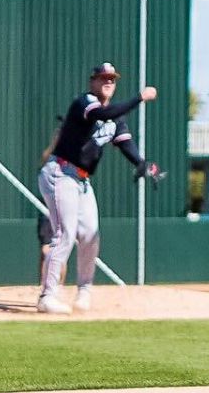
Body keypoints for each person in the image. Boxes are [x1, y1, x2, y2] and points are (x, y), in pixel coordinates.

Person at [37, 62, 163, 314]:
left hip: (82, 181)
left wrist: (142, 163)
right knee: (65, 234)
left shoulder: (116, 116)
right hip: (60, 173)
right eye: (103, 78)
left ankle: (84, 290)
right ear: (92, 81)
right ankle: (47, 296)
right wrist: (139, 97)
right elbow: (102, 115)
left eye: (112, 79)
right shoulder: (84, 102)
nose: (108, 82)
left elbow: (124, 142)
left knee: (91, 235)